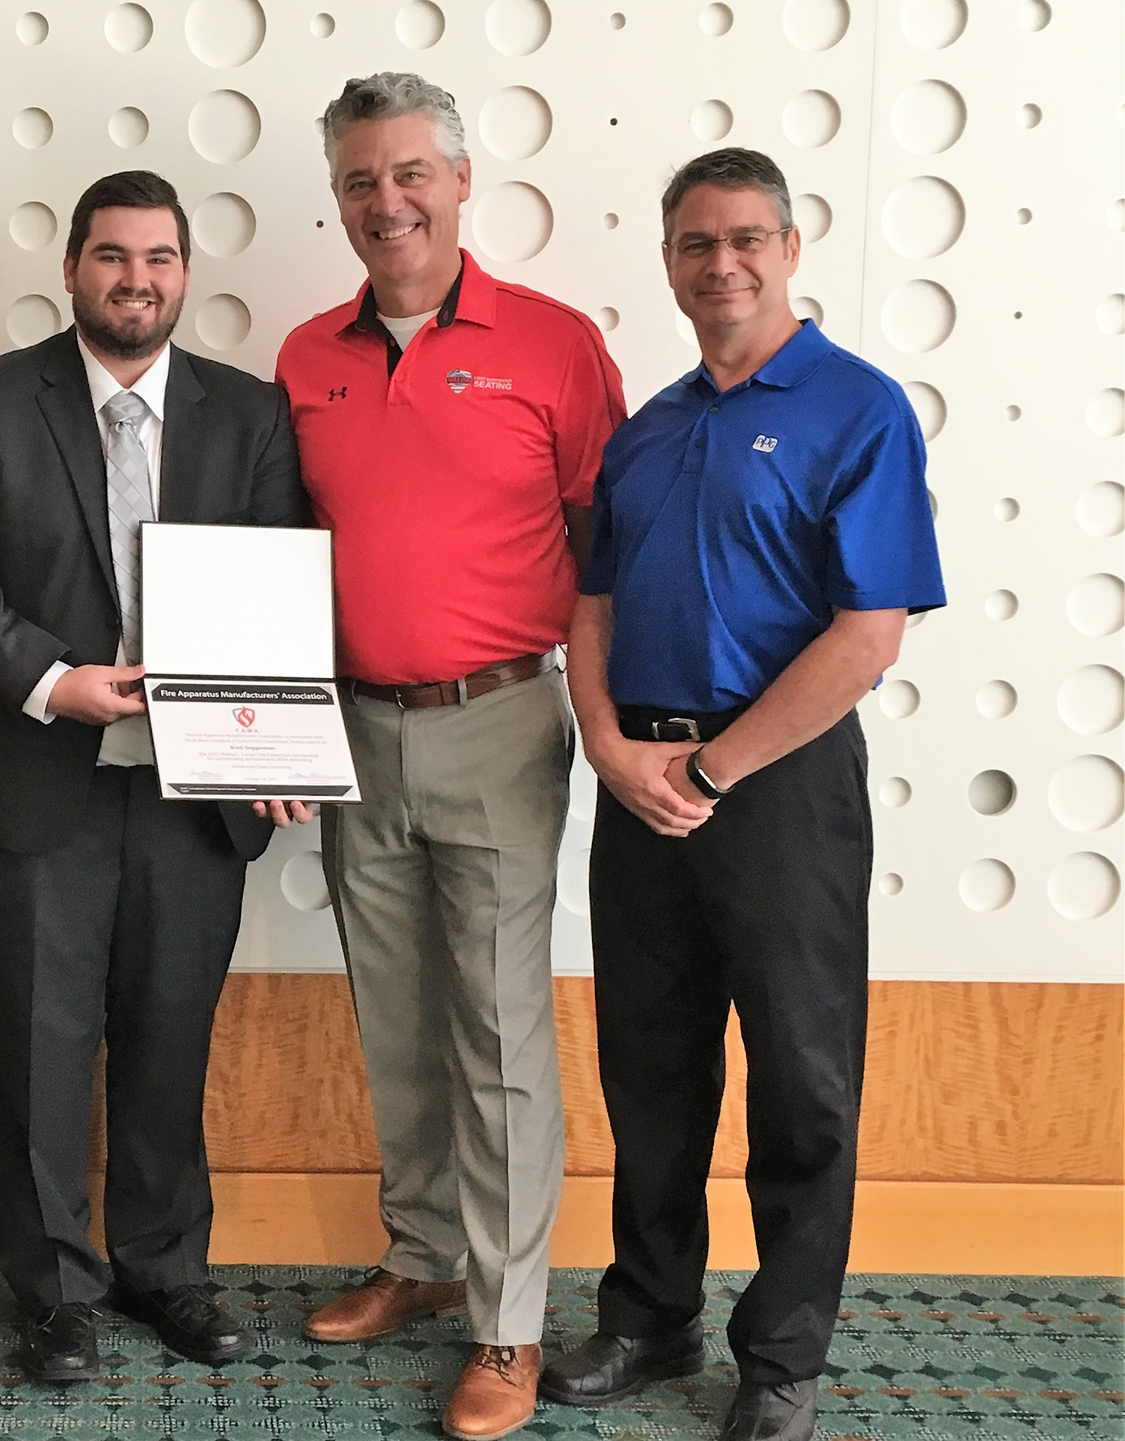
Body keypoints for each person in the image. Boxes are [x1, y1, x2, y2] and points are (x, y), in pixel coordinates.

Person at [541, 148, 945, 1441]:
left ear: (789, 247)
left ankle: (779, 1356)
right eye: (697, 242)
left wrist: (714, 768)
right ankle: (651, 1318)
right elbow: (590, 602)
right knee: (649, 1068)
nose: (723, 262)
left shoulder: (858, 407)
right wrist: (606, 740)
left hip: (774, 790)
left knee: (801, 1079)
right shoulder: (651, 427)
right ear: (668, 261)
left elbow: (867, 633)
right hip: (639, 778)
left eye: (747, 239)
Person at [0, 170, 308, 1383]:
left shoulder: (250, 414)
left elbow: (281, 587)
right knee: (39, 1048)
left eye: (160, 259)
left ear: (187, 274)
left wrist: (284, 736)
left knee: (167, 1040)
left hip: (199, 795)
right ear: (72, 267)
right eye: (114, 257)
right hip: (37, 779)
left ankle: (164, 1271)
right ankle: (55, 1293)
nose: (137, 280)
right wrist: (55, 682)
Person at [276, 73, 626, 1440]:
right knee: (401, 1015)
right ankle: (423, 1258)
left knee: (494, 1029)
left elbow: (609, 544)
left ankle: (510, 1320)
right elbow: (280, 558)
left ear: (463, 182)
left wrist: (608, 722)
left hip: (501, 719)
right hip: (354, 726)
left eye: (411, 173)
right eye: (362, 180)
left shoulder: (552, 345)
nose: (388, 202)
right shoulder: (309, 356)